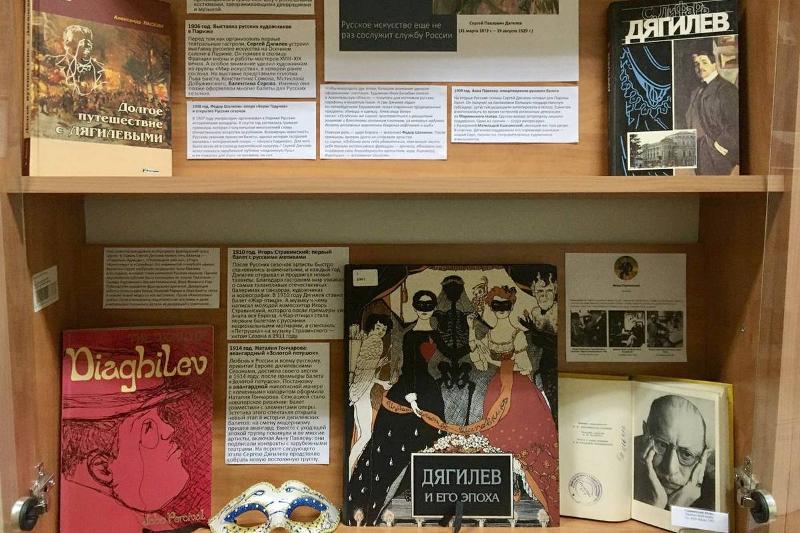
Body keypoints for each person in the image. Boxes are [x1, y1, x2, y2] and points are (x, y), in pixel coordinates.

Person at [346, 291, 446, 525]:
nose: (424, 310)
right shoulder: (409, 335)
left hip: (431, 390)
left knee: (432, 438)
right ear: (415, 307)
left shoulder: (437, 335)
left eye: (429, 306)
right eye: (420, 306)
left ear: (433, 308)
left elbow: (447, 357)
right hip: (410, 389)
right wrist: (411, 397)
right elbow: (408, 366)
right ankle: (371, 503)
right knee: (392, 443)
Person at [60, 381, 202, 533]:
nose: (170, 429)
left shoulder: (146, 518)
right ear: (103, 469)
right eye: (148, 428)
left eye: (161, 417)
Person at [469, 286, 559, 519]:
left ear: (511, 306)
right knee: (496, 435)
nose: (501, 310)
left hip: (519, 389)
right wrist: (473, 337)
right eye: (496, 306)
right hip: (497, 388)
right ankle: (506, 484)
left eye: (505, 306)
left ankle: (524, 485)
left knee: (521, 436)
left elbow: (525, 366)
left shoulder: (518, 334)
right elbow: (480, 363)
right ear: (491, 308)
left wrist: (499, 362)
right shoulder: (489, 335)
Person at [634, 395, 715, 510]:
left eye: (686, 454)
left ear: (704, 457)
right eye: (662, 445)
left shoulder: (714, 491)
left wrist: (673, 509)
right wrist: (656, 506)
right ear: (645, 433)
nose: (670, 469)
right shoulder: (621, 458)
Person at [347, 314, 392, 477]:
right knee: (366, 434)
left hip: (360, 389)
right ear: (372, 326)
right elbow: (364, 372)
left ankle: (351, 469)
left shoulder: (367, 341)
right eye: (378, 327)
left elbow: (365, 368)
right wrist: (381, 382)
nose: (380, 332)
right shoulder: (376, 342)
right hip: (361, 392)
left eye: (383, 330)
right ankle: (350, 466)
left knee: (361, 432)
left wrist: (379, 368)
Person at [685, 48, 739, 175]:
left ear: (714, 64)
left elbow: (735, 123)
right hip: (699, 153)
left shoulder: (726, 89)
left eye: (704, 62)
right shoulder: (695, 92)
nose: (700, 67)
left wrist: (718, 146)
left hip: (717, 155)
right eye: (696, 64)